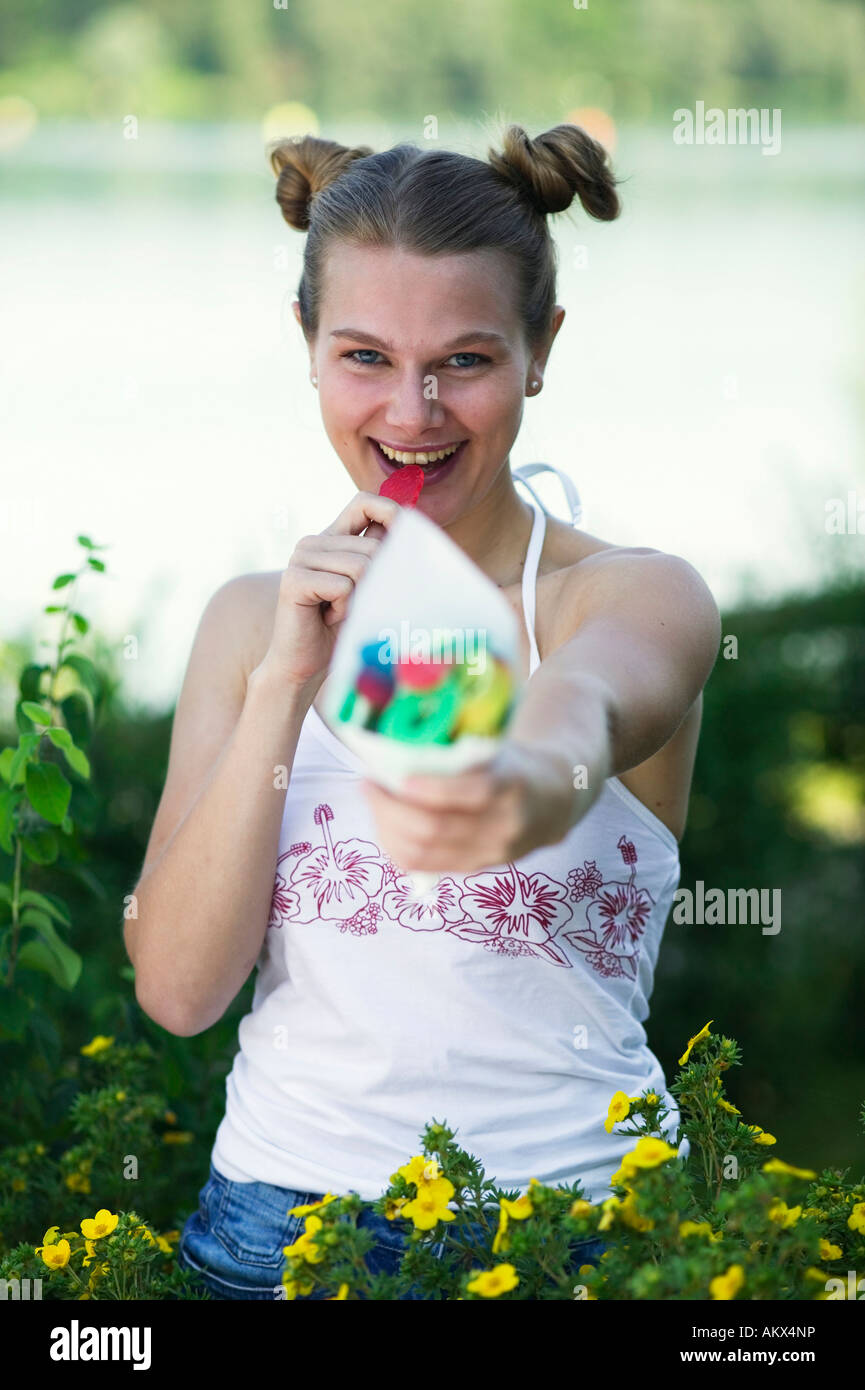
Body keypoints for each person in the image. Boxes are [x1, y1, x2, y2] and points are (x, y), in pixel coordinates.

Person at [124, 123, 721, 1300]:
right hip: (272, 1241)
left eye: (464, 359)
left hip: (583, 1241)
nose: (413, 409)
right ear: (307, 348)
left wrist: (510, 789)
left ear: (541, 350)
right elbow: (181, 993)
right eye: (363, 356)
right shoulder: (250, 623)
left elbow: (583, 708)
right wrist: (284, 687)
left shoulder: (630, 593)